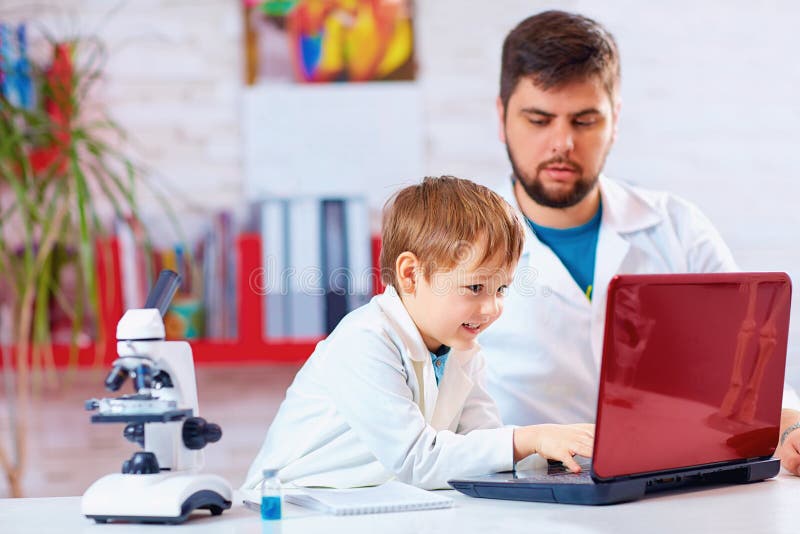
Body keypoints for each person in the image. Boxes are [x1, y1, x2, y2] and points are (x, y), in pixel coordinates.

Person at [478, 10, 800, 474]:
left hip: (673, 484)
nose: (562, 142)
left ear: (616, 119)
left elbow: (751, 377)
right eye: (539, 119)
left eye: (585, 120)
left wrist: (789, 427)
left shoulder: (677, 229)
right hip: (523, 498)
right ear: (502, 115)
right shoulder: (459, 247)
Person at [242, 176, 594, 491]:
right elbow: (417, 459)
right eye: (475, 287)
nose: (491, 308)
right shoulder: (364, 340)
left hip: (374, 504)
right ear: (411, 275)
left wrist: (552, 454)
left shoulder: (463, 351)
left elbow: (484, 446)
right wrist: (529, 438)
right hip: (290, 507)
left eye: (501, 289)